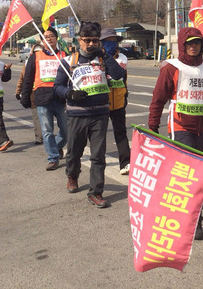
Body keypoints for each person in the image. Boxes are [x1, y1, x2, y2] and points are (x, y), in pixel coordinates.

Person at [148, 26, 203, 239]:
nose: (194, 46)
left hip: (202, 128)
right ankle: (192, 222)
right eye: (189, 43)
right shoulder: (171, 68)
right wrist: (153, 126)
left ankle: (185, 215)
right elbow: (158, 100)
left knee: (197, 175)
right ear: (182, 44)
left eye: (197, 43)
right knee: (187, 175)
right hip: (180, 128)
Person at [54, 21, 125, 208]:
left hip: (100, 114)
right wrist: (70, 94)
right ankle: (72, 174)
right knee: (74, 152)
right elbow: (58, 87)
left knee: (98, 156)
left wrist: (106, 55)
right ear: (80, 40)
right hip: (77, 114)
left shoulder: (103, 59)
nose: (91, 44)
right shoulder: (68, 62)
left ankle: (96, 192)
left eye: (95, 40)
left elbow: (118, 75)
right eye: (87, 41)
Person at [20, 29, 68, 171]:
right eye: (45, 37)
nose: (48, 39)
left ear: (56, 38)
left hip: (61, 98)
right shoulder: (36, 56)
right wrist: (25, 96)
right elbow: (28, 78)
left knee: (66, 130)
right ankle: (53, 158)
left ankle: (57, 147)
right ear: (42, 41)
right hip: (42, 98)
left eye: (51, 36)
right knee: (47, 131)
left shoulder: (64, 56)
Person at [100, 28, 131, 175]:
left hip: (119, 102)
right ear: (102, 42)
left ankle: (126, 163)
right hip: (102, 103)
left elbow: (124, 79)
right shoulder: (97, 58)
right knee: (99, 136)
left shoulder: (123, 58)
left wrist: (125, 95)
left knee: (121, 133)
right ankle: (98, 164)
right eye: (108, 40)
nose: (111, 43)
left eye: (114, 40)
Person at [15, 44, 44, 145]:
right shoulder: (28, 62)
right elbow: (23, 78)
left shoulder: (47, 61)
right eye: (36, 52)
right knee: (36, 116)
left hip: (47, 92)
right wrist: (18, 91)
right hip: (33, 93)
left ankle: (45, 135)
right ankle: (40, 136)